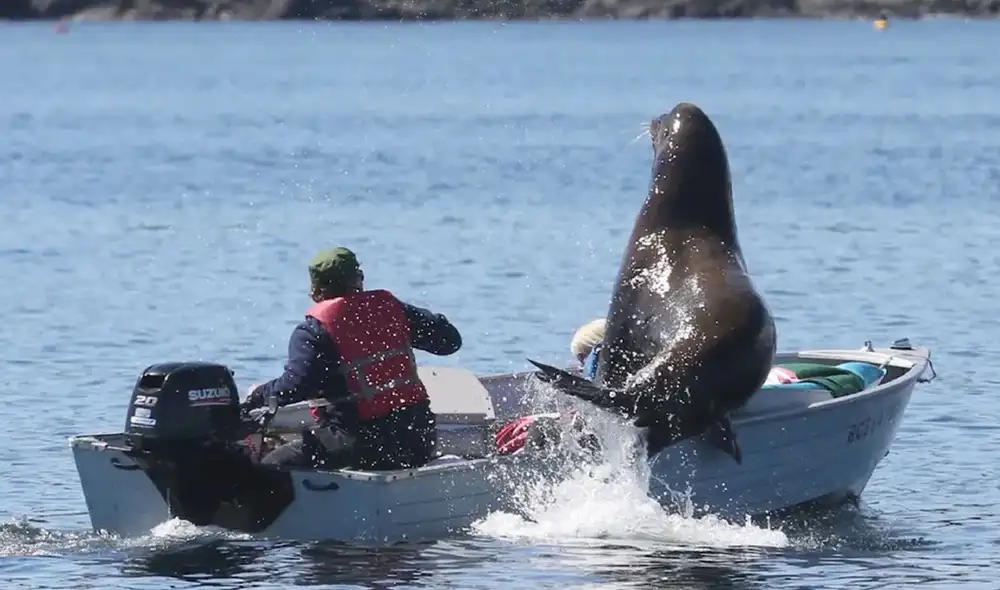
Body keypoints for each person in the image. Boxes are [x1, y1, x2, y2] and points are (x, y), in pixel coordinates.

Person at [242, 246, 462, 471]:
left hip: (358, 445)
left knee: (270, 465)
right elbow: (450, 341)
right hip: (418, 440)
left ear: (315, 290)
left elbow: (295, 386)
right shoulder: (392, 309)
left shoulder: (314, 331)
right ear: (359, 279)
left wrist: (258, 397)